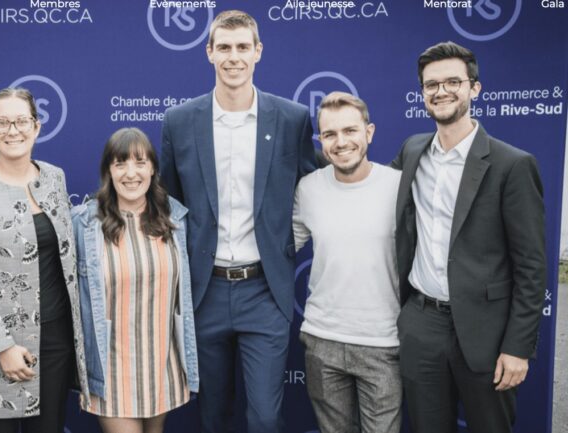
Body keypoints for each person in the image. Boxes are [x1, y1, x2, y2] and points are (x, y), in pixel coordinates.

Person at [160, 10, 316, 433]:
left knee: (265, 417)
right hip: (203, 290)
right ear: (209, 52)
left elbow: (313, 190)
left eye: (243, 47)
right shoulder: (179, 120)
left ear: (258, 51)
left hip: (265, 290)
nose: (234, 57)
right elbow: (169, 201)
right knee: (212, 414)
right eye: (224, 47)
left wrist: (287, 242)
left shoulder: (292, 118)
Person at [392, 41, 546, 433]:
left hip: (487, 332)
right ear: (422, 93)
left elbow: (531, 266)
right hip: (421, 326)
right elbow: (369, 186)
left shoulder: (512, 165)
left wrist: (517, 348)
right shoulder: (412, 152)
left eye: (452, 82)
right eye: (431, 85)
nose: (441, 91)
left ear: (474, 88)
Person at [0, 87, 88, 433]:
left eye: (22, 121)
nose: (13, 131)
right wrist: (2, 346)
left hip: (55, 340)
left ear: (36, 126)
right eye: (2, 123)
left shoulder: (54, 178)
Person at [72, 127, 198, 433]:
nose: (131, 173)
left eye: (140, 162)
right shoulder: (84, 223)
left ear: (153, 168)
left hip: (162, 365)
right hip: (111, 369)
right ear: (109, 171)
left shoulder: (175, 220)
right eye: (120, 163)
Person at [293, 92, 401, 433]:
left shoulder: (398, 186)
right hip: (321, 340)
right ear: (321, 141)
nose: (341, 142)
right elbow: (280, 248)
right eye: (330, 134)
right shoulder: (308, 188)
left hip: (383, 343)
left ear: (369, 132)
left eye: (350, 131)